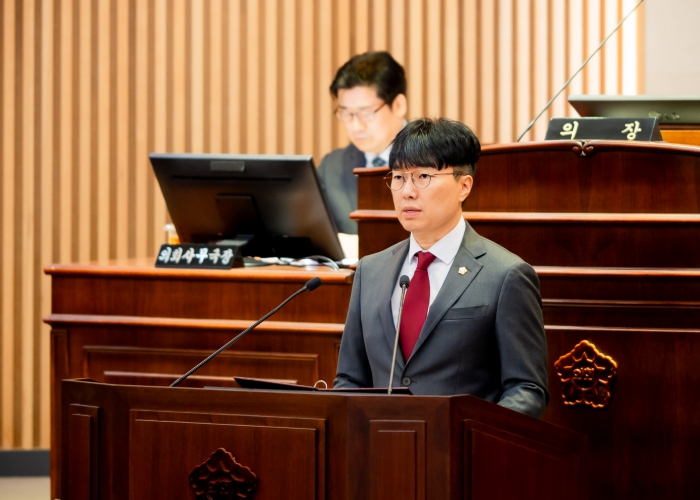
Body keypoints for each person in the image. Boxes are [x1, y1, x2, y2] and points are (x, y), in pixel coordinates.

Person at [334, 118, 549, 418]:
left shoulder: (506, 275)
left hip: (461, 445)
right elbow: (349, 379)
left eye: (423, 176)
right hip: (381, 444)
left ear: (464, 186)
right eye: (399, 177)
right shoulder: (370, 270)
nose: (407, 191)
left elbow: (527, 390)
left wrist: (472, 437)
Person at [318, 51, 408, 235]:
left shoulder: (439, 162)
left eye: (366, 113)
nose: (356, 126)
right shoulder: (331, 168)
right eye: (347, 113)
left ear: (398, 105)